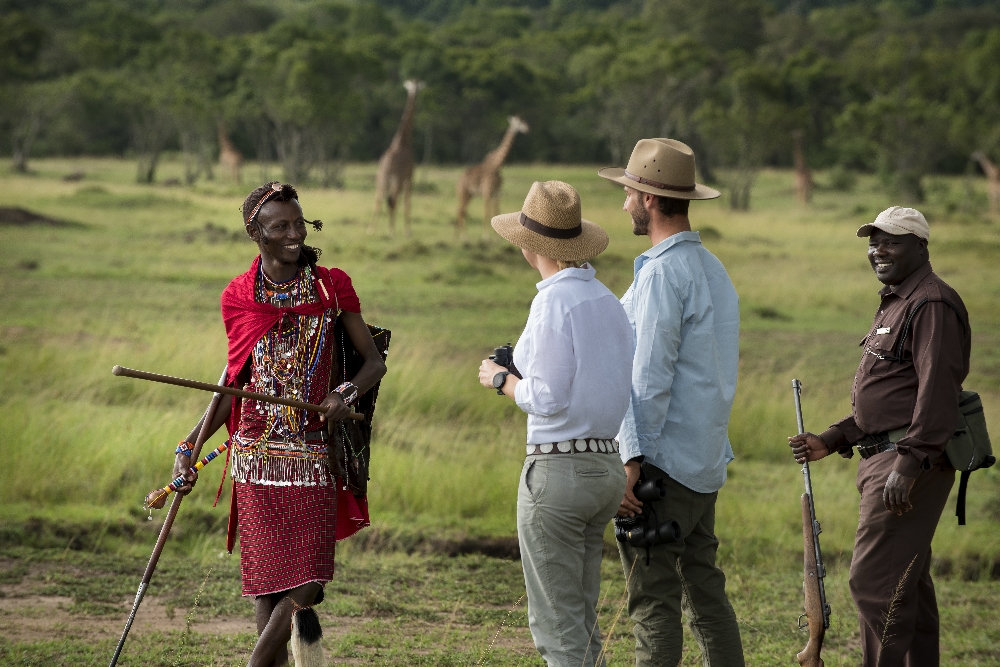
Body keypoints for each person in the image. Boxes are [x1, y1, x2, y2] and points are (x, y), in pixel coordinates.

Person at [168, 181, 387, 667]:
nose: (295, 234)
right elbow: (232, 383)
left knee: (309, 580)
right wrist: (191, 445)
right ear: (256, 233)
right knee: (268, 584)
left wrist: (342, 393)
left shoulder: (332, 286)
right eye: (281, 226)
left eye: (299, 223)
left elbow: (373, 364)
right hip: (255, 458)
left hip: (311, 453)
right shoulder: (239, 296)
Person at [789, 206, 969, 667]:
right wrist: (832, 438)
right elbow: (892, 397)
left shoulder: (931, 303)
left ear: (921, 247)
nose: (878, 250)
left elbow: (937, 395)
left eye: (891, 241)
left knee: (875, 584)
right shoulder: (898, 300)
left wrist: (909, 463)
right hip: (886, 455)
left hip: (906, 462)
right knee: (907, 582)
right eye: (873, 241)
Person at [598, 138, 745, 667]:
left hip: (663, 467)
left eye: (629, 193)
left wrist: (628, 465)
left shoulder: (662, 273)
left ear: (651, 199)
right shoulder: (713, 268)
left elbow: (647, 381)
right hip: (702, 462)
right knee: (706, 594)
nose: (624, 204)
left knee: (653, 602)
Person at [477, 180, 634, 667]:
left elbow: (545, 396)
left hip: (559, 474)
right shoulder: (609, 301)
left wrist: (501, 378)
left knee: (557, 626)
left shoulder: (551, 302)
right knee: (579, 616)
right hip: (605, 468)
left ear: (529, 245)